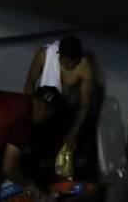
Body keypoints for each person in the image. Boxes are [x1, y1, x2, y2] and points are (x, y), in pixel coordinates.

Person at [23, 36, 97, 175]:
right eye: (65, 62)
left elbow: (85, 104)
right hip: (44, 105)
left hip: (67, 112)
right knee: (37, 150)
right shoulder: (44, 55)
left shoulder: (84, 67)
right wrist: (27, 114)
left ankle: (61, 181)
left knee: (64, 155)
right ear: (58, 55)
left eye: (73, 64)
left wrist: (74, 132)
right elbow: (30, 83)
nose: (69, 66)